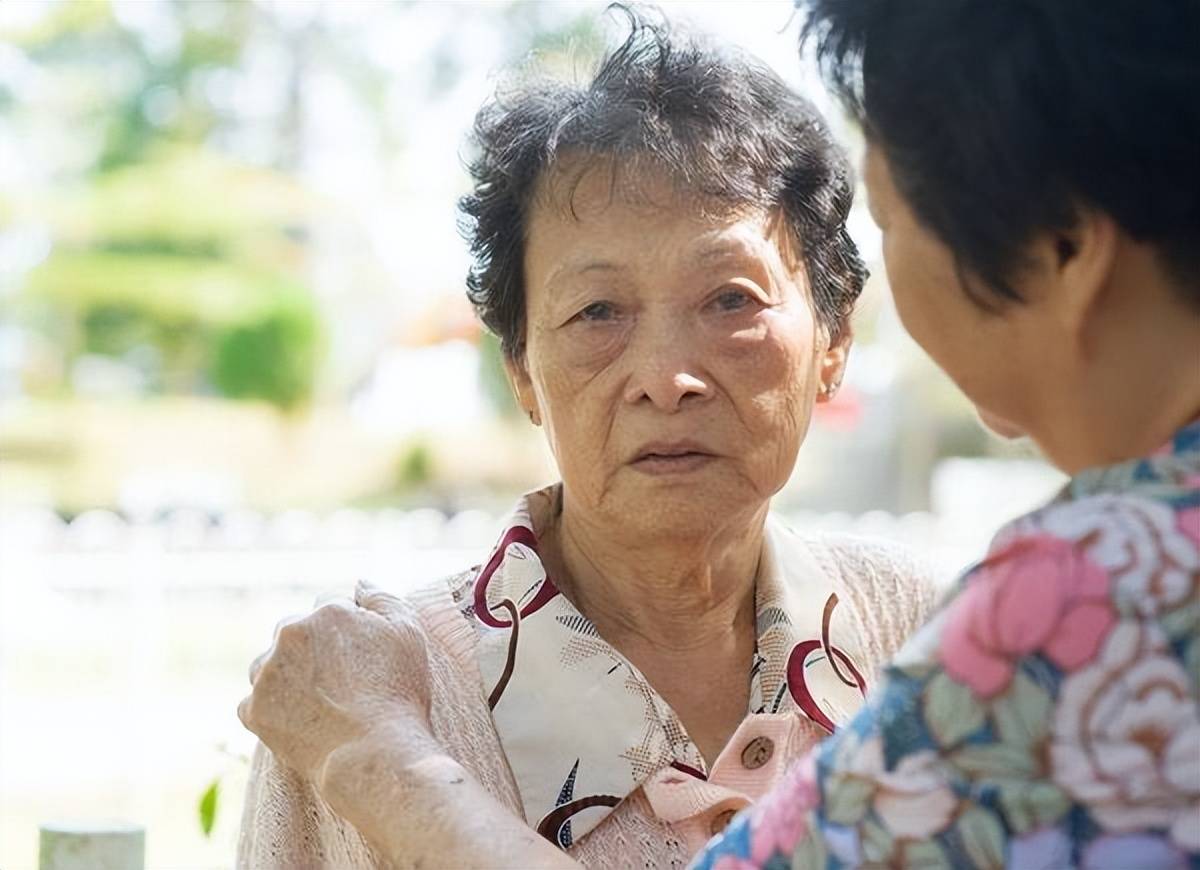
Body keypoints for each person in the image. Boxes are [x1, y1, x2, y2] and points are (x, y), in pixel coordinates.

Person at [236, 10, 942, 869]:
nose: (665, 376)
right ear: (523, 372)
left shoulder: (923, 638)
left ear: (833, 344)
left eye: (730, 300)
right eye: (596, 311)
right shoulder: (365, 697)